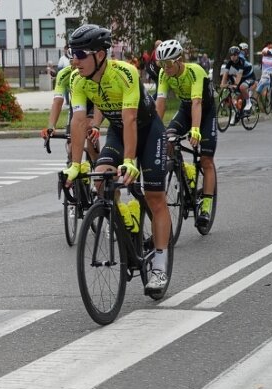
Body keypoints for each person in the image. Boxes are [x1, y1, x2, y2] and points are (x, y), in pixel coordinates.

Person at [64, 24, 171, 296]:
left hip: (148, 132)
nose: (74, 60)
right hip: (118, 132)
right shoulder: (78, 80)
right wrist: (76, 165)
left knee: (156, 196)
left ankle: (159, 264)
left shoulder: (125, 73)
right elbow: (78, 121)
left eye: (79, 54)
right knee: (100, 181)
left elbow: (131, 118)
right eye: (71, 53)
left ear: (100, 55)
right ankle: (127, 222)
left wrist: (130, 160)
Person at [154, 39, 217, 227]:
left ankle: (206, 204)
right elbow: (161, 103)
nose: (165, 68)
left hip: (205, 113)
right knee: (168, 141)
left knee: (206, 160)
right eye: (161, 64)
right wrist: (155, 130)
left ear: (179, 60)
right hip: (185, 110)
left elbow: (197, 102)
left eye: (168, 64)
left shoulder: (195, 71)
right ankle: (185, 172)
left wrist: (196, 130)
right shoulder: (164, 75)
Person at [220, 46, 256, 113]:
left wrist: (235, 84)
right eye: (231, 55)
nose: (233, 56)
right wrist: (222, 84)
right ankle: (238, 112)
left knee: (242, 87)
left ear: (238, 55)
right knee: (236, 96)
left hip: (249, 76)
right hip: (242, 77)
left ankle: (249, 103)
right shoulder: (230, 62)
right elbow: (225, 74)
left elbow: (239, 75)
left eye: (234, 55)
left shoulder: (241, 61)